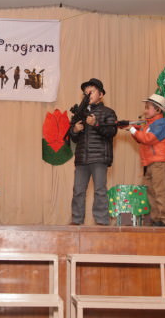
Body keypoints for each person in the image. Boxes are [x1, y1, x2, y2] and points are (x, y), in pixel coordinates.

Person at [69, 78, 117, 225]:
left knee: (100, 190)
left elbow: (112, 131)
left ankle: (102, 222)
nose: (88, 94)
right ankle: (76, 221)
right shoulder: (79, 113)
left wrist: (95, 123)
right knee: (78, 191)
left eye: (91, 92)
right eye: (86, 93)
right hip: (82, 158)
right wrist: (75, 130)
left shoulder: (108, 112)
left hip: (99, 157)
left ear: (101, 94)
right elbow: (73, 138)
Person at [124, 94, 165, 227]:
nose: (145, 111)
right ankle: (156, 219)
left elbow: (148, 139)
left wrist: (133, 129)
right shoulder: (149, 124)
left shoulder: (161, 123)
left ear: (158, 110)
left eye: (148, 108)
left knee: (160, 191)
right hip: (150, 162)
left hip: (160, 162)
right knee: (150, 192)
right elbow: (141, 139)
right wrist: (134, 131)